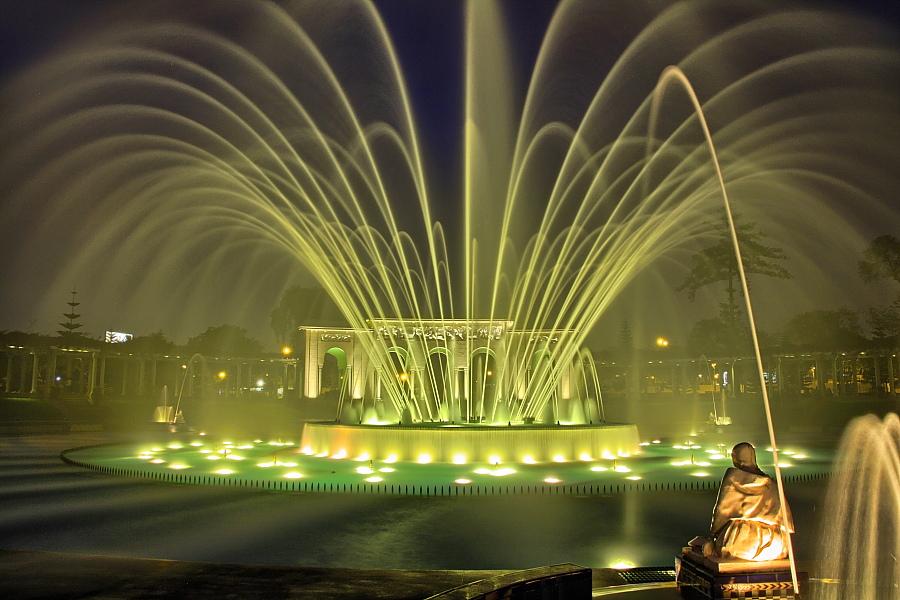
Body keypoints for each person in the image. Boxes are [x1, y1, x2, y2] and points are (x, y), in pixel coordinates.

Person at [702, 442, 793, 561]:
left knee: (715, 547)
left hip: (739, 544)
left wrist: (715, 534)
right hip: (774, 545)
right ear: (753, 458)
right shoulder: (771, 484)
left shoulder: (733, 478)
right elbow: (785, 521)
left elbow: (721, 513)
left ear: (736, 459)